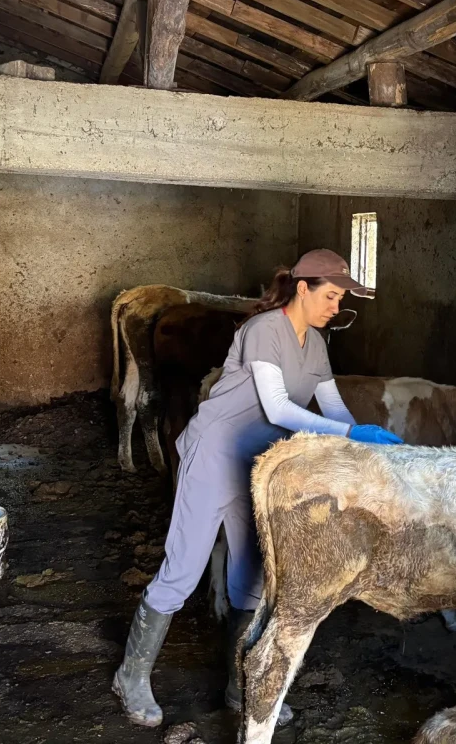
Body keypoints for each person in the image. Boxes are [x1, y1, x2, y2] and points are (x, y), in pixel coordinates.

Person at [113, 249, 403, 728]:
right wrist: (352, 437)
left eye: (341, 298)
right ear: (303, 288)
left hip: (258, 466)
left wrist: (370, 442)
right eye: (330, 295)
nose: (336, 306)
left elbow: (332, 406)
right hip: (212, 457)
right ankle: (131, 676)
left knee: (250, 579)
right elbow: (278, 408)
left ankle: (239, 685)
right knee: (183, 572)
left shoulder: (317, 344)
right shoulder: (264, 329)